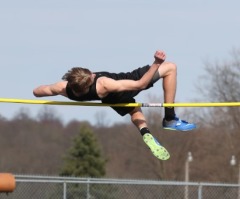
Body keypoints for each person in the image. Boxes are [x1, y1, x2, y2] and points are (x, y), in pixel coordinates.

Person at [33, 50, 196, 160]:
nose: (94, 74)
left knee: (134, 110)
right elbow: (139, 84)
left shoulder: (64, 89)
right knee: (170, 68)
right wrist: (156, 63)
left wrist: (46, 90)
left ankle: (145, 132)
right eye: (92, 76)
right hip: (123, 85)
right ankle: (169, 119)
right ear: (90, 80)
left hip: (110, 99)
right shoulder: (103, 83)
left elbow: (38, 91)